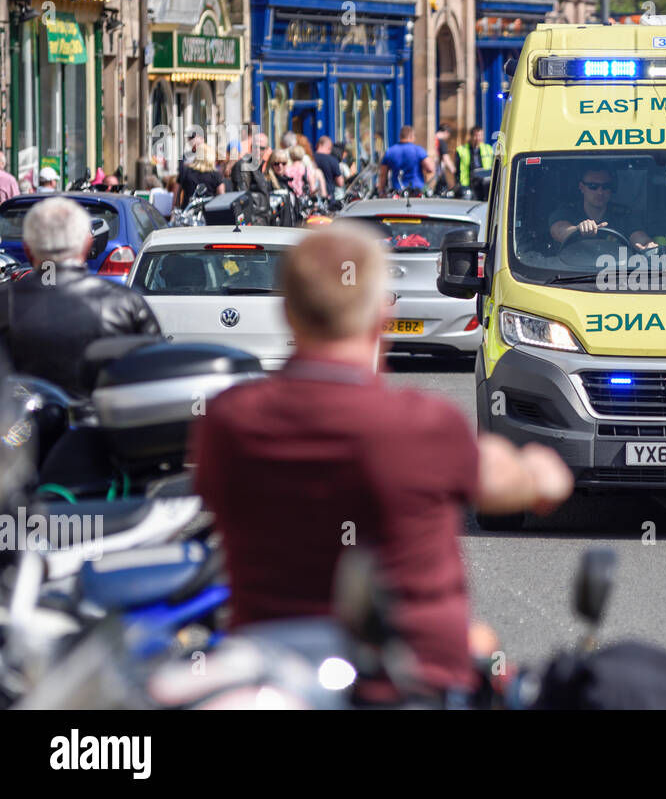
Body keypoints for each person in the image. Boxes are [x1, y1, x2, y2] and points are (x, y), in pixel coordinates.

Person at [191, 221, 573, 698]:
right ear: (379, 317)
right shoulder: (423, 424)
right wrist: (540, 470)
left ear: (289, 313)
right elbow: (521, 484)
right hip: (414, 684)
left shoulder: (228, 422)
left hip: (273, 673)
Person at [0, 197, 160, 396]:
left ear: (27, 249)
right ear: (87, 245)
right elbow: (154, 377)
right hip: (102, 421)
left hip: (20, 423)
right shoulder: (125, 303)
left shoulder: (6, 302)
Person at [548, 164, 657, 250]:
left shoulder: (623, 214)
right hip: (570, 274)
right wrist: (577, 229)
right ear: (582, 187)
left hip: (616, 274)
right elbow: (559, 231)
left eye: (606, 186)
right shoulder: (567, 210)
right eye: (593, 186)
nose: (600, 192)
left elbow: (638, 236)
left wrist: (647, 244)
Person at [378, 125, 428, 195]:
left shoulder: (390, 151)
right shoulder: (418, 150)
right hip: (416, 190)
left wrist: (381, 190)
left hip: (397, 191)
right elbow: (430, 168)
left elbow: (383, 174)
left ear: (400, 136)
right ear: (411, 136)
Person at [455, 126, 494, 191]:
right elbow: (457, 169)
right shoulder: (461, 150)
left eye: (480, 135)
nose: (478, 138)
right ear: (471, 136)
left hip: (485, 183)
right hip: (467, 184)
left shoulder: (488, 149)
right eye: (476, 135)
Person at [435, 123, 456, 191]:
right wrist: (453, 169)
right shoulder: (442, 142)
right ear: (446, 132)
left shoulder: (433, 139)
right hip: (438, 171)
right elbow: (446, 158)